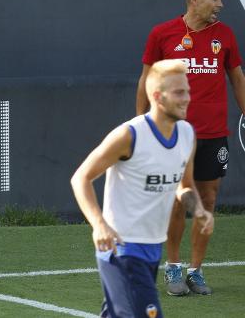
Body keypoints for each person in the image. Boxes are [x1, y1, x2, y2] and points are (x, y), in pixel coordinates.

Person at [72, 59, 214, 317]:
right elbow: (81, 178)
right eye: (179, 92)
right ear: (158, 97)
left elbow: (184, 186)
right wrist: (99, 225)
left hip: (152, 248)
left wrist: (200, 211)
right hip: (122, 250)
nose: (187, 98)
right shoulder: (129, 135)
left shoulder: (186, 134)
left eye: (188, 91)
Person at [135, 0, 245, 295]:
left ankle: (196, 270)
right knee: (176, 201)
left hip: (213, 134)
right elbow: (145, 79)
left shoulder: (224, 36)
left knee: (207, 199)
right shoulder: (163, 34)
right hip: (172, 134)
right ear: (194, 0)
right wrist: (140, 122)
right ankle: (173, 268)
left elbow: (237, 79)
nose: (221, 4)